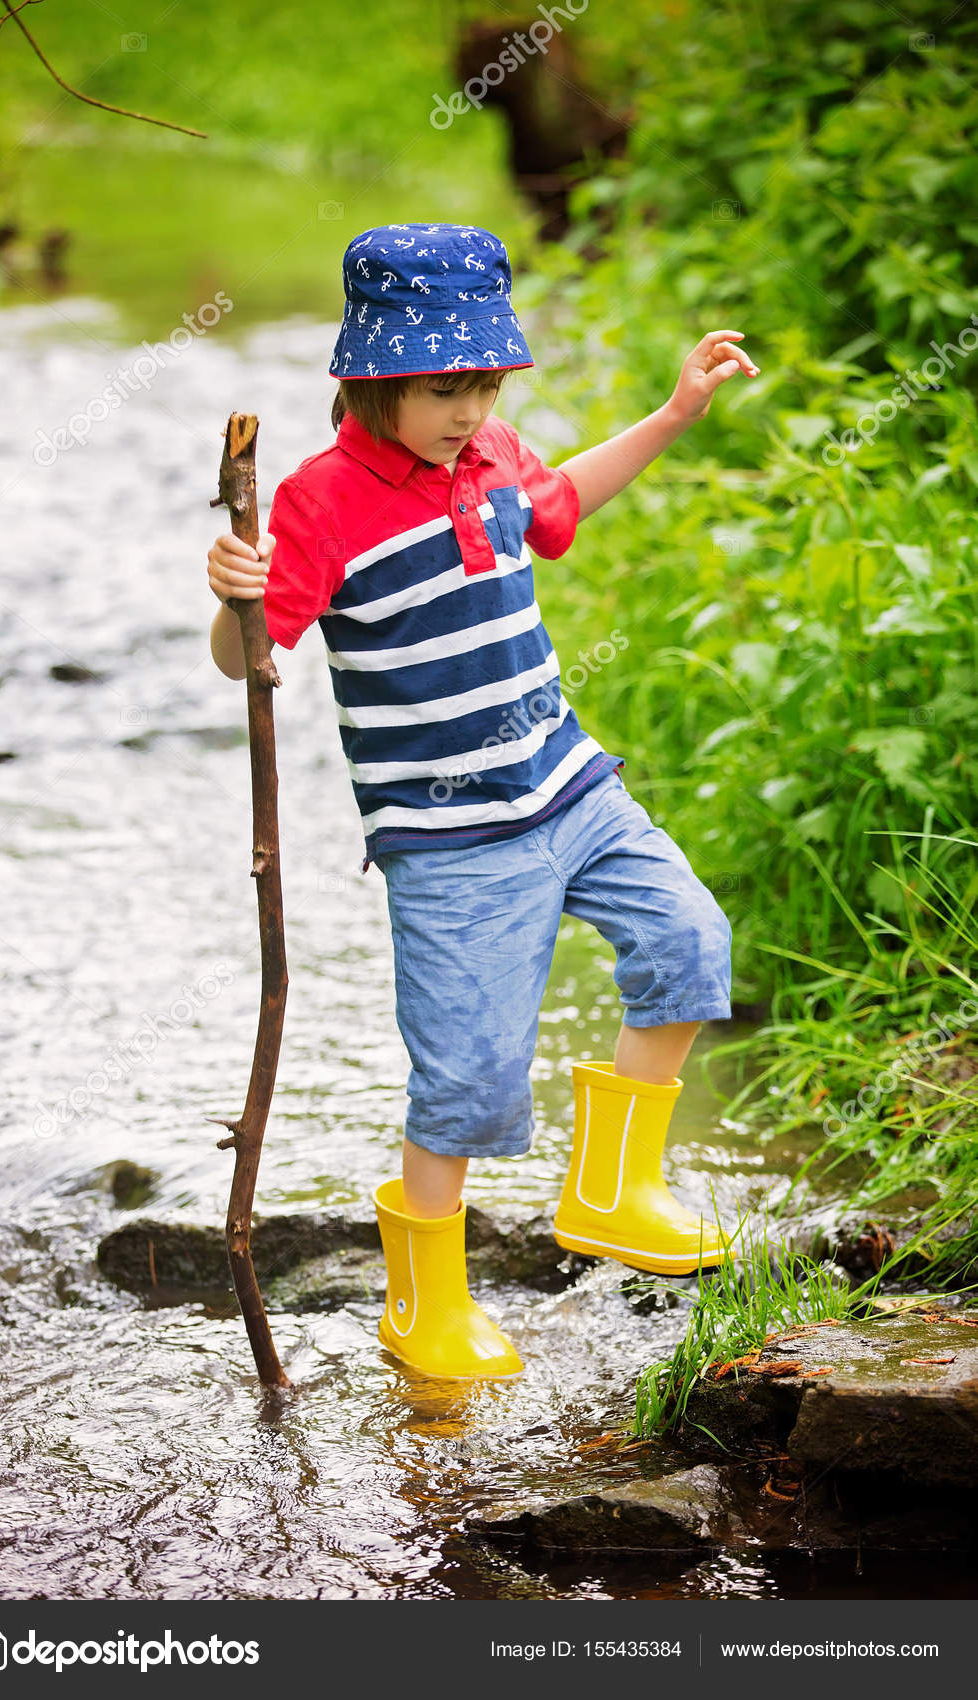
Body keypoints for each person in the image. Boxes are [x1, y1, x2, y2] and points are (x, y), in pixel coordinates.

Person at [207, 222, 759, 1382]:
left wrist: (666, 419)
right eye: (442, 386)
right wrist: (233, 600)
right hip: (449, 837)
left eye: (484, 381)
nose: (467, 407)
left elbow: (558, 506)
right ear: (371, 380)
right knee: (465, 1077)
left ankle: (612, 1191)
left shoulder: (493, 449)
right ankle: (427, 1305)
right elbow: (252, 661)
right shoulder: (319, 502)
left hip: (566, 780)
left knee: (687, 936)